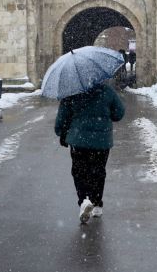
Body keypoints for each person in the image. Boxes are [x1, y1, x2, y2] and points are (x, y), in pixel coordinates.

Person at [54, 82, 125, 223]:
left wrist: (61, 132)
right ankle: (97, 203)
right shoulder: (107, 90)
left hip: (79, 140)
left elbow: (62, 117)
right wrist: (105, 111)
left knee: (79, 171)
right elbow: (119, 113)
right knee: (98, 171)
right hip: (102, 141)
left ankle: (84, 200)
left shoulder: (72, 91)